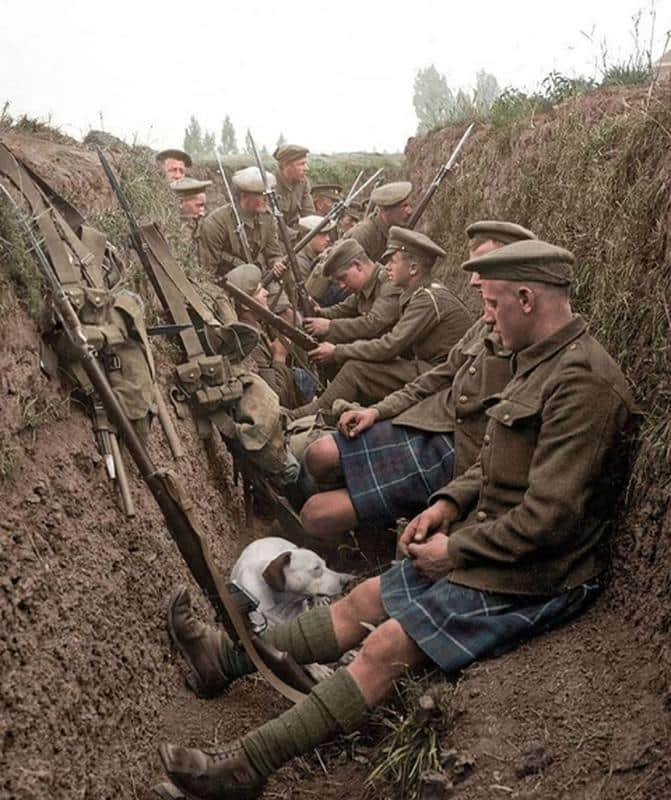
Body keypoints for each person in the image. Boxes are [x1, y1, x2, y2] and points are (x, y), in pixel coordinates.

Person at [159, 238, 634, 799]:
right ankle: (226, 659)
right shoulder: (537, 360)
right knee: (362, 600)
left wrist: (454, 550)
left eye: (493, 304)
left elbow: (550, 520)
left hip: (537, 573)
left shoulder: (582, 384)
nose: (484, 316)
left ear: (527, 298)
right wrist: (447, 504)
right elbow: (492, 461)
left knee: (385, 645)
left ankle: (245, 767)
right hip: (497, 540)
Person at [300, 220, 535, 537]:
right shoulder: (483, 321)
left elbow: (392, 344)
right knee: (318, 455)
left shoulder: (433, 300)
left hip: (453, 446)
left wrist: (339, 349)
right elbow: (445, 372)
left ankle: (362, 532)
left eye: (485, 270)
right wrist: (378, 410)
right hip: (432, 414)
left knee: (316, 512)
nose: (473, 282)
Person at [291, 227, 473, 419]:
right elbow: (347, 310)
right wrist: (319, 313)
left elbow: (390, 345)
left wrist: (337, 351)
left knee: (356, 369)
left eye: (393, 261)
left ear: (413, 269)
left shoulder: (427, 299)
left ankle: (311, 414)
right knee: (357, 364)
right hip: (434, 369)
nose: (387, 267)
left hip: (444, 377)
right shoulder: (420, 294)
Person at [224, 263, 313, 409]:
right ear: (246, 305)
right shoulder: (250, 345)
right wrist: (279, 357)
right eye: (259, 291)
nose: (266, 292)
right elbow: (277, 399)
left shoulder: (256, 326)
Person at [302, 238, 401, 346]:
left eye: (343, 278)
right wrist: (318, 312)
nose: (341, 285)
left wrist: (330, 326)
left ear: (358, 265)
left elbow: (374, 324)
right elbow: (344, 309)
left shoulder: (388, 282)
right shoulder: (365, 286)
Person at [344, 180, 413, 261]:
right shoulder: (364, 234)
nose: (410, 211)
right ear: (386, 210)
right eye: (404, 206)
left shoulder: (396, 229)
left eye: (409, 205)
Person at [273, 144, 315, 236]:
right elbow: (272, 225)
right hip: (277, 236)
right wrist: (297, 236)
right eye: (301, 164)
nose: (306, 168)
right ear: (286, 165)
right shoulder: (271, 186)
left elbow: (309, 214)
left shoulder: (303, 182)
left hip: (296, 232)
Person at [294, 214, 336, 283]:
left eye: (327, 234)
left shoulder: (317, 255)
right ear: (308, 236)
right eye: (323, 234)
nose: (328, 239)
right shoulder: (299, 262)